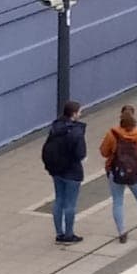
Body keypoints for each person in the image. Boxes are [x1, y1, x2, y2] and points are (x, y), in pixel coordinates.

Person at [99, 105, 137, 243]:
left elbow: (103, 152)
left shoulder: (112, 133)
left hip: (116, 172)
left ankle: (122, 233)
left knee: (118, 202)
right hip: (135, 172)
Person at [40, 100, 87, 245]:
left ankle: (59, 233)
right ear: (74, 114)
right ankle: (69, 234)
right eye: (79, 111)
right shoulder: (76, 132)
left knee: (59, 199)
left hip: (56, 170)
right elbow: (81, 154)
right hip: (72, 172)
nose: (81, 113)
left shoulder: (55, 126)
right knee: (70, 204)